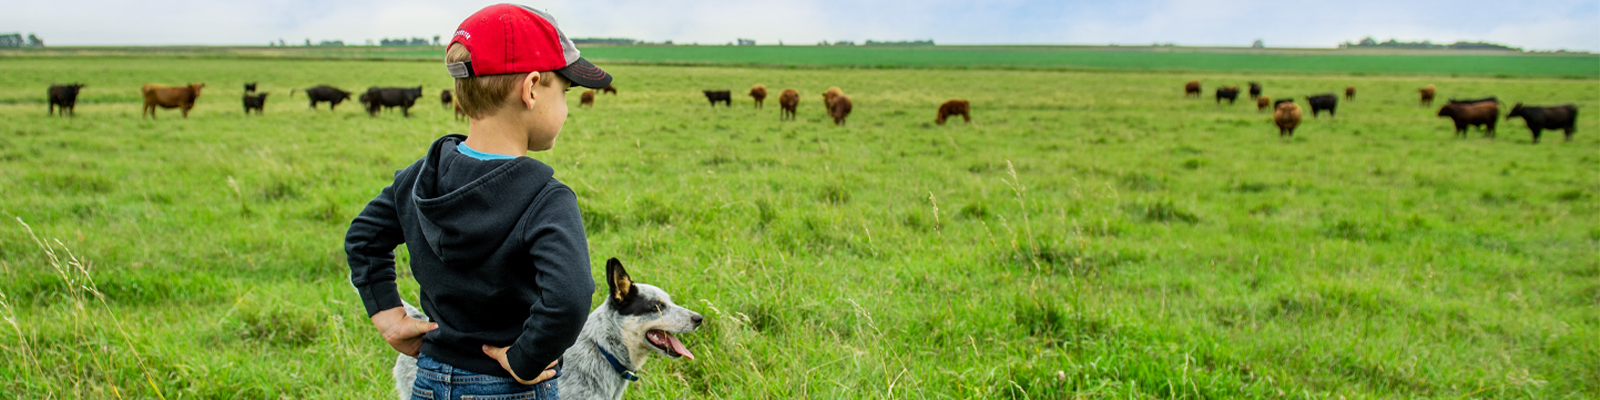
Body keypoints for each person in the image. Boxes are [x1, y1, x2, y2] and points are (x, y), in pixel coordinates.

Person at [345, 4, 613, 397]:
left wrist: (388, 314)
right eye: (566, 90)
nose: (568, 106)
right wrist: (525, 359)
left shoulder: (421, 176)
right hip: (512, 387)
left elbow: (364, 236)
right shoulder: (547, 199)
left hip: (431, 379)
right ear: (532, 89)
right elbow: (570, 298)